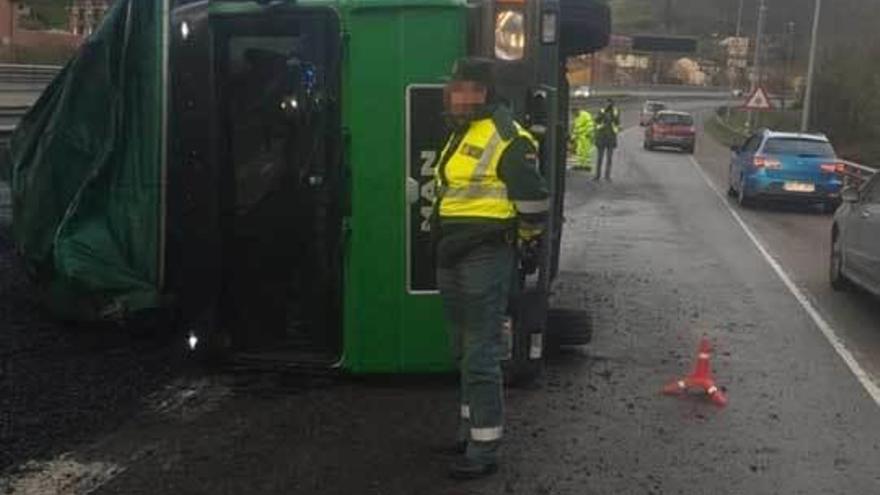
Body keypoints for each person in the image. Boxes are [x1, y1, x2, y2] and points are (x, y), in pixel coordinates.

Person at [432, 57, 549, 480]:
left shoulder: (508, 137)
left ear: (486, 93)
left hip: (485, 253)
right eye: (454, 90)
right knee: (464, 350)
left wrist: (528, 241)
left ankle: (484, 451)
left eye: (467, 90)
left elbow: (535, 200)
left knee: (480, 353)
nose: (458, 98)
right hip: (454, 252)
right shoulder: (460, 133)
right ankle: (469, 431)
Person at [594, 99, 620, 180]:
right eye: (606, 103)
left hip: (611, 138)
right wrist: (603, 114)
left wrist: (612, 115)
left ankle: (607, 176)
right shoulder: (601, 111)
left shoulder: (615, 112)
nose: (607, 105)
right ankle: (597, 175)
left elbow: (617, 122)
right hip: (601, 137)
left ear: (612, 104)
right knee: (599, 158)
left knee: (609, 159)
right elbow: (596, 120)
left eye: (609, 104)